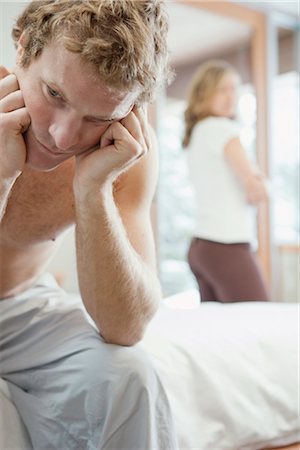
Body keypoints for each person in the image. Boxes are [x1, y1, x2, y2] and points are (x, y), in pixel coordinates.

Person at [0, 1, 178, 448]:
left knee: (131, 376)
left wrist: (93, 191)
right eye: (54, 95)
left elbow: (126, 326)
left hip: (17, 307)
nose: (62, 137)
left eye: (97, 117)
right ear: (24, 50)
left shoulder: (124, 148)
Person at [183, 60, 270, 302]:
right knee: (260, 319)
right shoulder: (223, 129)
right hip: (227, 245)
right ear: (205, 93)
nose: (231, 96)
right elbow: (255, 189)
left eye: (234, 89)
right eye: (223, 89)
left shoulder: (197, 133)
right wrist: (261, 183)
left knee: (219, 330)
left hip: (202, 248)